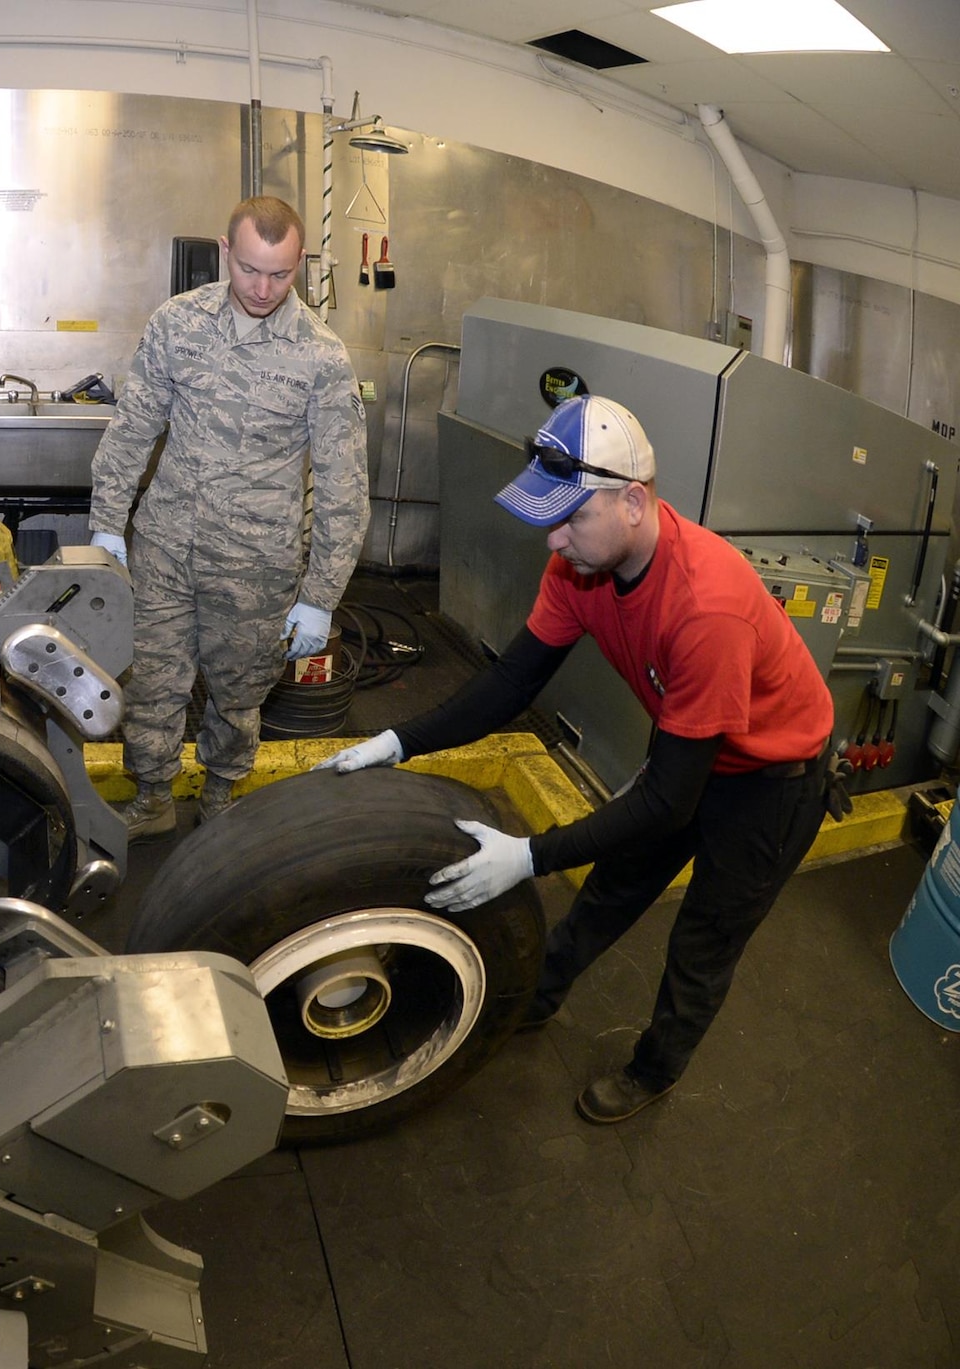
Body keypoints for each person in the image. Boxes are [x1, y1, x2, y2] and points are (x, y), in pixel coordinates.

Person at [316, 394, 835, 1124]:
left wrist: (529, 855)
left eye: (572, 517)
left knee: (705, 938)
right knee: (615, 885)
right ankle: (539, 996)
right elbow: (509, 681)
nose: (554, 540)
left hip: (771, 782)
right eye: (548, 517)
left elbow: (669, 804)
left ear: (633, 501)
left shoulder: (704, 608)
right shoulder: (578, 569)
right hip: (694, 749)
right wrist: (400, 741)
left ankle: (653, 1069)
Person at [88, 195, 369, 840]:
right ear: (224, 251)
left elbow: (343, 487)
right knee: (151, 683)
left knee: (238, 696)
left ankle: (220, 798)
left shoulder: (322, 358)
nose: (263, 288)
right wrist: (108, 524)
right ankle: (153, 797)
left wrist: (321, 597)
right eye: (249, 269)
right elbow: (134, 428)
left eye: (280, 273)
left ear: (300, 264)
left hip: (256, 567)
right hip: (162, 549)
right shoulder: (177, 324)